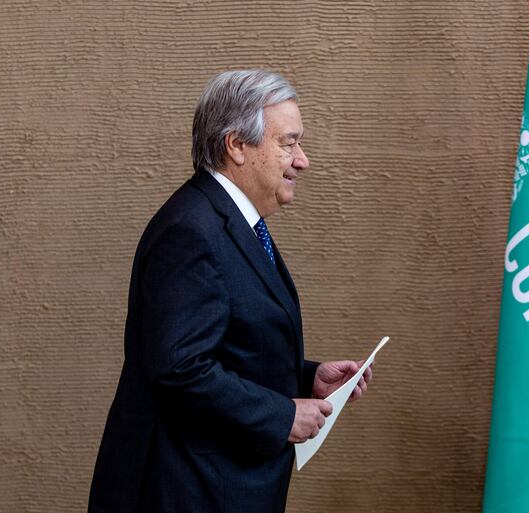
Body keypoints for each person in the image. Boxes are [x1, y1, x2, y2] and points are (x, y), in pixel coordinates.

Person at [88, 70, 373, 513]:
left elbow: (221, 349)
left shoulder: (233, 221)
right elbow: (179, 368)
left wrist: (305, 378)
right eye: (288, 142)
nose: (302, 160)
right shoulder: (191, 229)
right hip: (185, 493)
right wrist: (282, 415)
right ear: (236, 145)